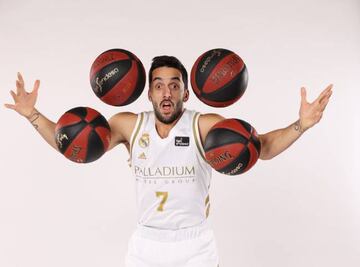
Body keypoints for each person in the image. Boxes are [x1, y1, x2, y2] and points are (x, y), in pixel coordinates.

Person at [5, 56, 333, 267]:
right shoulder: (127, 125)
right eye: (159, 86)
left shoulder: (202, 124)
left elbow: (261, 147)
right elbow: (73, 145)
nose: (166, 93)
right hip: (146, 245)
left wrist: (301, 124)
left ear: (185, 94)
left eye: (174, 86)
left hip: (195, 245)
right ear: (148, 93)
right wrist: (32, 114)